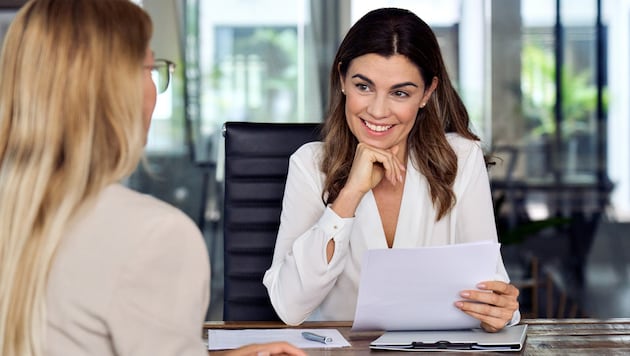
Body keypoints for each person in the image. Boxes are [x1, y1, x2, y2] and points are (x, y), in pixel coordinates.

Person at [0, 1, 305, 356]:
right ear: (117, 92)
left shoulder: (18, 213)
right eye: (150, 68)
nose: (153, 87)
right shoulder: (154, 235)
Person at [263, 7, 520, 333]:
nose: (378, 110)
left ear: (427, 93)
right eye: (364, 87)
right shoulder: (310, 165)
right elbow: (289, 306)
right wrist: (350, 195)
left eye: (400, 92)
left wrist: (500, 311)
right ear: (342, 79)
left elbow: (491, 288)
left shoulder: (462, 160)